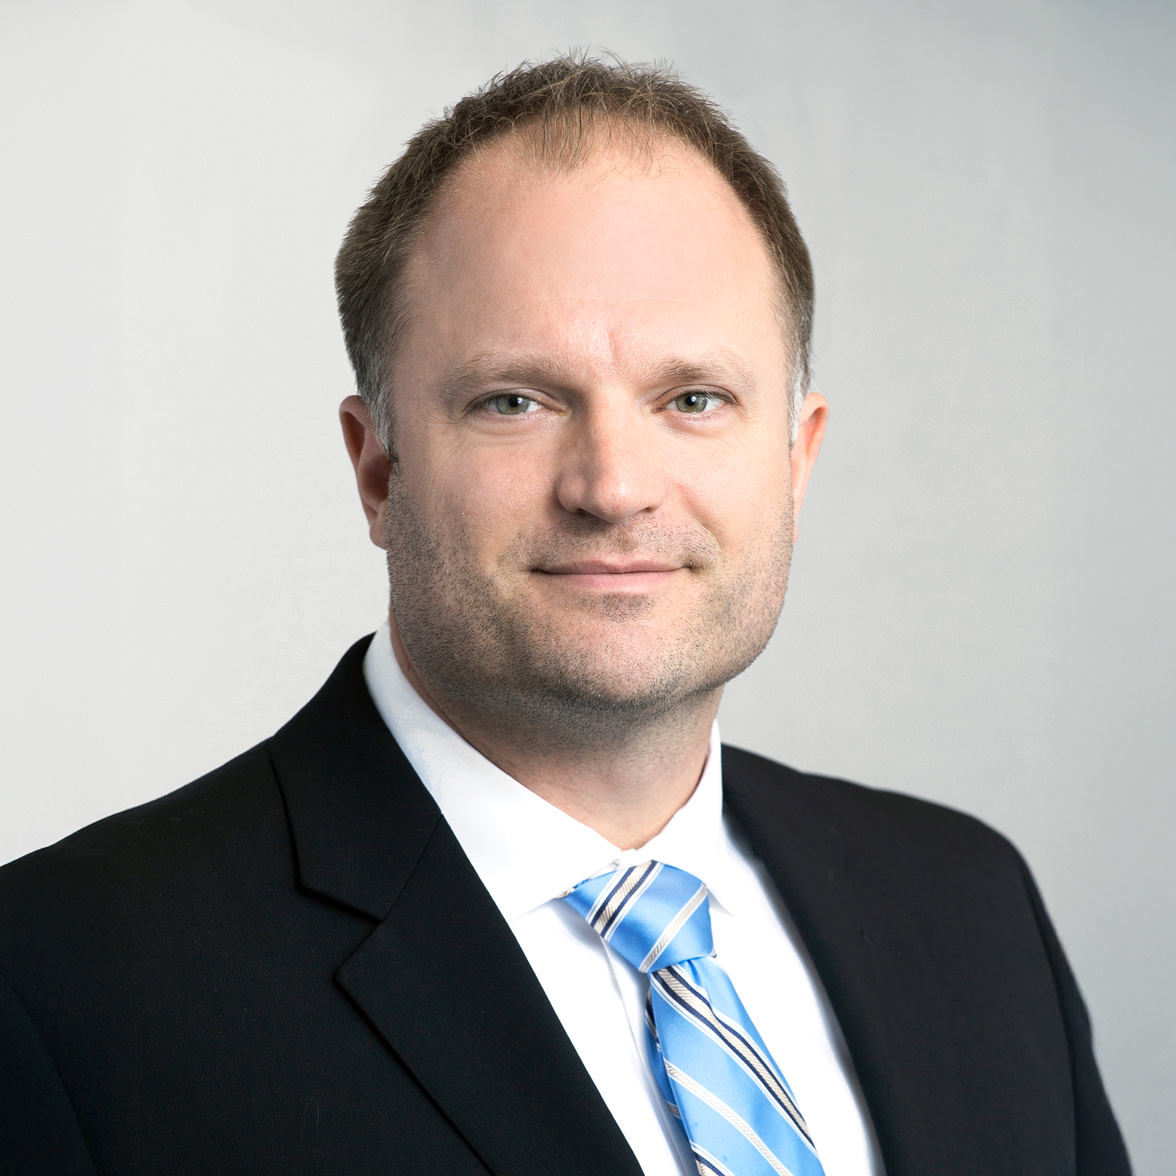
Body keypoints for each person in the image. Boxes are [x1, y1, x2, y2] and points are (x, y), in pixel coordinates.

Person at [0, 56, 1129, 1176]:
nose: (612, 485)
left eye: (694, 399)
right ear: (378, 469)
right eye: (515, 402)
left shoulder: (970, 904)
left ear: (796, 459)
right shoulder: (65, 984)